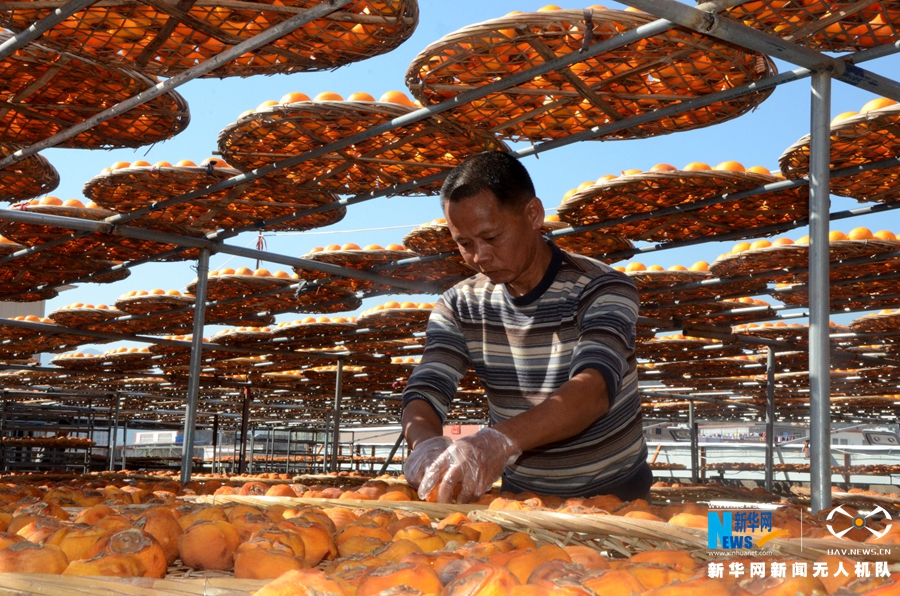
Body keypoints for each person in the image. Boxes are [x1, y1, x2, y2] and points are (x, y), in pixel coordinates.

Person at [401, 151, 650, 504]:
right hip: (524, 496)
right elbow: (425, 389)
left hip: (615, 492)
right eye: (464, 244)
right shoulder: (459, 305)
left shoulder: (600, 288)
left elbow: (592, 390)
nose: (479, 257)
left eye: (491, 237)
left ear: (533, 215)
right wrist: (425, 443)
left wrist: (497, 441)